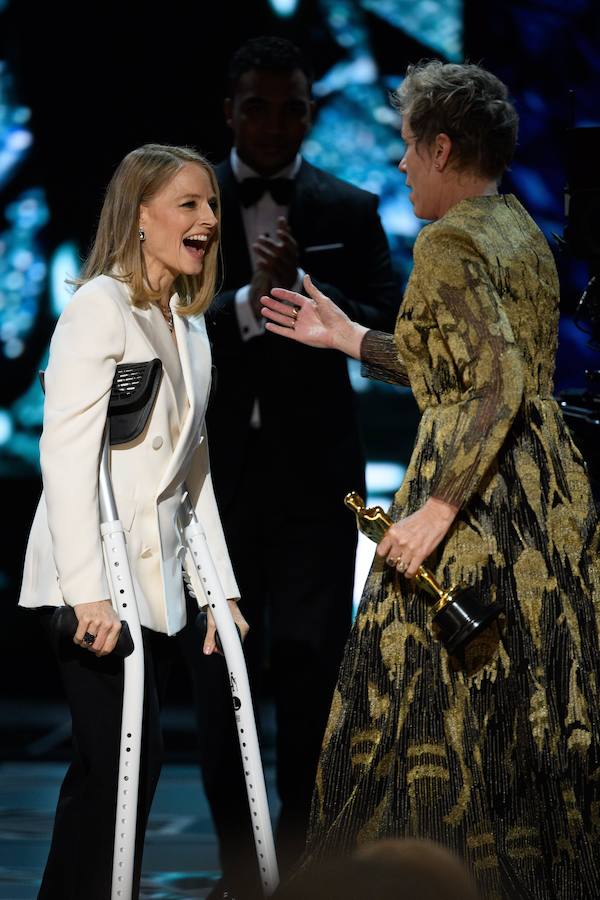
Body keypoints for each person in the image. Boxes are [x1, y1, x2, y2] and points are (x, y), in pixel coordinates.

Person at [261, 60, 600, 899]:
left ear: (443, 146)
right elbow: (465, 364)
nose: (402, 166)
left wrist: (435, 513)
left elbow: (495, 385)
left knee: (419, 714)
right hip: (545, 497)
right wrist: (350, 339)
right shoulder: (515, 224)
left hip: (479, 508)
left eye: (410, 148)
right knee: (522, 712)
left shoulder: (449, 240)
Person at [18, 144, 249, 900]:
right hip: (92, 584)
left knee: (130, 771)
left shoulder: (187, 325)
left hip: (152, 584)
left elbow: (194, 476)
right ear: (141, 217)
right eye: (188, 204)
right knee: (115, 772)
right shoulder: (99, 308)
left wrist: (220, 587)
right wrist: (87, 595)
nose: (209, 220)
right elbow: (67, 457)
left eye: (212, 204)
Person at [200, 35, 400, 895]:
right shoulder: (185, 196)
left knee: (315, 673)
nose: (276, 125)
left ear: (311, 113)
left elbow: (391, 327)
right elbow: (158, 319)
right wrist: (251, 301)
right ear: (230, 111)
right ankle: (242, 876)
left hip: (319, 485)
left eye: (293, 109)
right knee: (220, 684)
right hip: (211, 485)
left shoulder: (347, 208)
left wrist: (314, 300)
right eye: (258, 107)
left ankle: (303, 872)